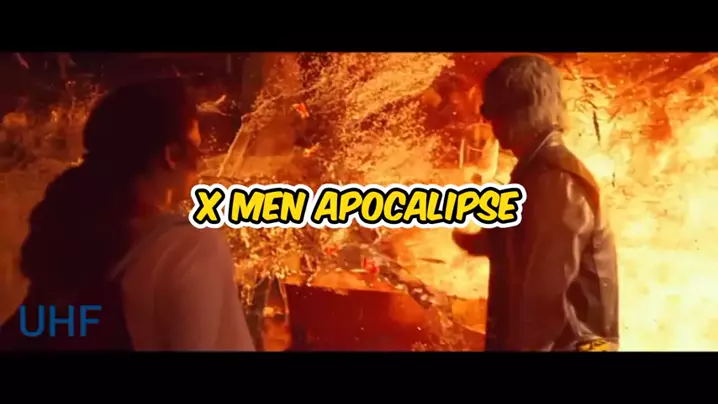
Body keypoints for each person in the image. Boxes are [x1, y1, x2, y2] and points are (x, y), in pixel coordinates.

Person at [0, 78, 255, 351]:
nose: (201, 162)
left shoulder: (74, 249)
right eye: (197, 147)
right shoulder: (191, 247)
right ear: (172, 154)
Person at [452, 55, 619, 351]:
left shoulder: (555, 181)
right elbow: (529, 239)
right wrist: (484, 241)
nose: (489, 122)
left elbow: (543, 300)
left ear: (520, 110)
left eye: (492, 111)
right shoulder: (538, 172)